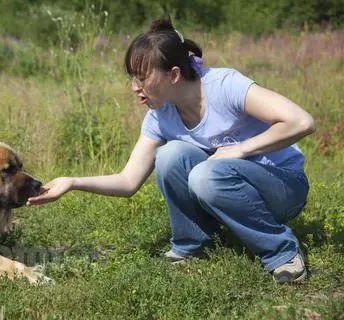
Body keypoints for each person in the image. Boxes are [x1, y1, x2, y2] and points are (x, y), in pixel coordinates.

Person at [27, 16, 315, 283]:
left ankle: (282, 252)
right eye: (131, 78)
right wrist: (72, 182)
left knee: (205, 175)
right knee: (169, 155)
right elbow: (128, 181)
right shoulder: (160, 115)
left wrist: (240, 148)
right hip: (234, 186)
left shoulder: (224, 86)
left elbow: (301, 121)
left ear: (173, 74)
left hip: (283, 186)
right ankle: (193, 245)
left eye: (142, 77)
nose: (134, 87)